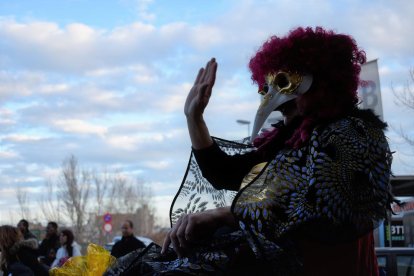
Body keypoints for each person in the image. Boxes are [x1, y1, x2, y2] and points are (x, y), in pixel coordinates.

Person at [105, 27, 394, 275]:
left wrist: (227, 215)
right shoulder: (289, 139)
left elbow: (316, 204)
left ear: (322, 81)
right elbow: (228, 173)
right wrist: (194, 118)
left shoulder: (354, 133)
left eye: (284, 82)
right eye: (266, 86)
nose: (276, 101)